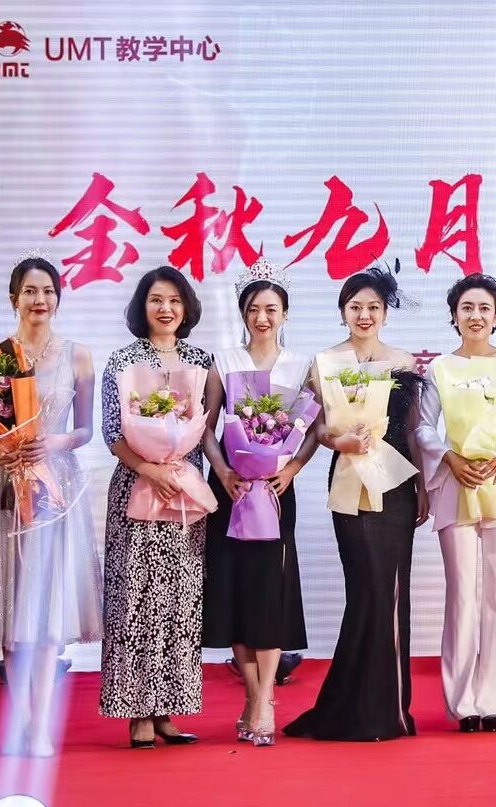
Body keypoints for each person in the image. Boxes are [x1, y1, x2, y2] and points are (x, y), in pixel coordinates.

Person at [0, 255, 101, 757]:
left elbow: (86, 429)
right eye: (31, 291)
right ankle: (26, 721)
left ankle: (40, 725)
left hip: (54, 488)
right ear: (14, 298)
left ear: (58, 298)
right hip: (4, 486)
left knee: (48, 608)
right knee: (12, 610)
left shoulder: (78, 356)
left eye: (49, 291)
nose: (40, 300)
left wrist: (56, 442)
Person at [286, 267, 428, 742]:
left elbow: (411, 429)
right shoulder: (325, 362)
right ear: (342, 312)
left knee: (393, 591)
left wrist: (424, 485)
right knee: (365, 590)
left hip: (395, 481)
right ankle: (354, 706)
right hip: (349, 478)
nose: (364, 315)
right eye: (355, 307)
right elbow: (314, 427)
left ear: (385, 313)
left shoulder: (403, 360)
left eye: (373, 307)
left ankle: (389, 709)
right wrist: (337, 440)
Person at [414, 273, 496, 731]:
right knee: (462, 594)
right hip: (456, 484)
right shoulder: (439, 369)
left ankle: (495, 700)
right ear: (454, 315)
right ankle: (463, 702)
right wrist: (451, 457)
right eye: (467, 308)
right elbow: (423, 426)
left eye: (485, 308)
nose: (476, 316)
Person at [98, 265, 215, 748]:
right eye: (155, 300)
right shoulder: (123, 360)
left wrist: (179, 469)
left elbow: (206, 428)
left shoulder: (201, 360)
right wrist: (149, 469)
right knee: (135, 597)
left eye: (174, 300)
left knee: (179, 600)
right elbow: (112, 431)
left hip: (184, 493)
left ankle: (167, 708)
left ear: (186, 307)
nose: (165, 309)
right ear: (141, 307)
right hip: (136, 490)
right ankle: (136, 712)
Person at [201, 258, 310, 747]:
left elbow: (312, 429)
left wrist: (292, 468)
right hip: (232, 492)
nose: (261, 318)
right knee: (235, 593)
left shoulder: (302, 365)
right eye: (253, 309)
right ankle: (250, 694)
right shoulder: (223, 361)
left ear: (285, 314)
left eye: (270, 309)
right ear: (243, 314)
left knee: (270, 593)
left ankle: (265, 698)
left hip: (276, 492)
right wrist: (223, 470)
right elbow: (206, 427)